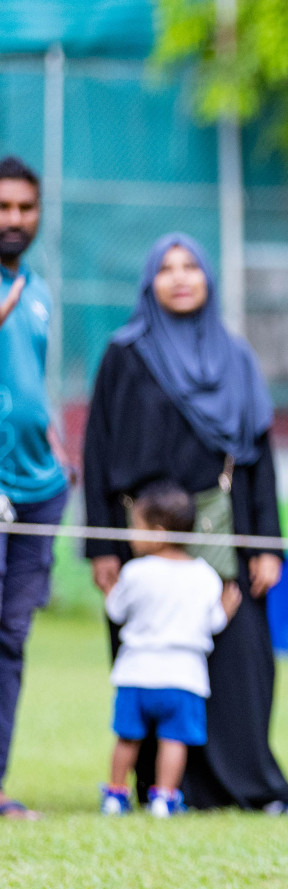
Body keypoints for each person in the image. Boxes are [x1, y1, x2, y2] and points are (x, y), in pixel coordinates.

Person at [82, 233, 288, 815]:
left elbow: (258, 458)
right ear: (149, 282)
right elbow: (98, 453)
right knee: (152, 660)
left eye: (191, 267)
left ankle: (254, 788)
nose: (180, 278)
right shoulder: (124, 353)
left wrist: (266, 545)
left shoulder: (235, 357)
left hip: (224, 529)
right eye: (166, 268)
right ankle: (162, 788)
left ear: (208, 278)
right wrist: (100, 544)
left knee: (242, 661)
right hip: (142, 536)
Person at [99, 481, 241, 818]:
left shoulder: (136, 572)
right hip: (184, 677)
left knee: (127, 738)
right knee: (173, 740)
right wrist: (228, 607)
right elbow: (213, 624)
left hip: (136, 674)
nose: (131, 536)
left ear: (158, 533)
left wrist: (108, 590)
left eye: (136, 527)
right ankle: (164, 797)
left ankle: (115, 795)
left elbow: (117, 612)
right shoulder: (205, 576)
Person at [0, 155, 69, 822]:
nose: (14, 219)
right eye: (3, 207)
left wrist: (52, 439)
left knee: (11, 636)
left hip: (39, 489)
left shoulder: (39, 290)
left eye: (25, 207)